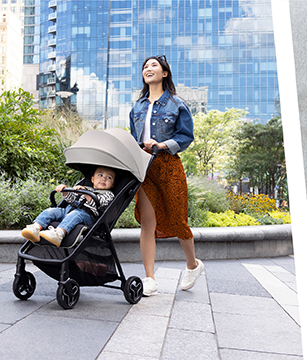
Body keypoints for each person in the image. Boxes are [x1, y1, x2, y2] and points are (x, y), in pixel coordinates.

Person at [129, 55, 203, 297]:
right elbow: (133, 137)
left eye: (153, 66)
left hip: (168, 165)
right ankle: (149, 278)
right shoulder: (137, 107)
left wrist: (161, 145)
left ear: (164, 74)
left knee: (178, 217)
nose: (148, 69)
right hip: (145, 168)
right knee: (147, 223)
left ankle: (193, 265)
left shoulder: (177, 104)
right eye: (145, 67)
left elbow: (185, 137)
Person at [21, 166, 117, 247]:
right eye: (100, 175)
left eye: (109, 177)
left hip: (87, 216)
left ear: (113, 185)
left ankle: (58, 234)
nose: (103, 178)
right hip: (68, 210)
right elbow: (71, 200)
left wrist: (86, 194)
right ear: (92, 179)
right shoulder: (85, 188)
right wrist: (65, 191)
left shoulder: (109, 194)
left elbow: (98, 203)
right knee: (51, 211)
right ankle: (35, 228)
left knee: (76, 214)